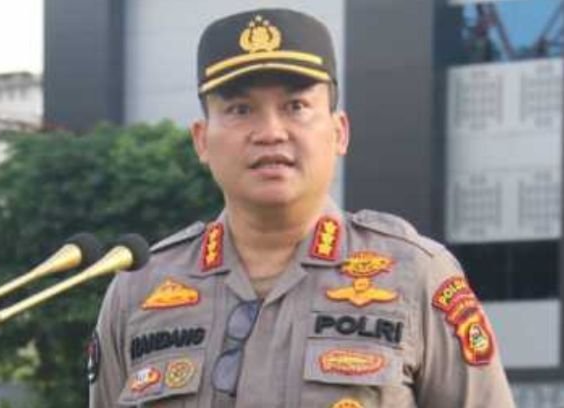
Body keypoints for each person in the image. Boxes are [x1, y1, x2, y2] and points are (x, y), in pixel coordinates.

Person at [88, 8, 515, 408]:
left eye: (296, 107)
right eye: (240, 109)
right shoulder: (139, 289)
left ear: (339, 132)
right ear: (202, 140)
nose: (270, 132)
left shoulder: (415, 275)